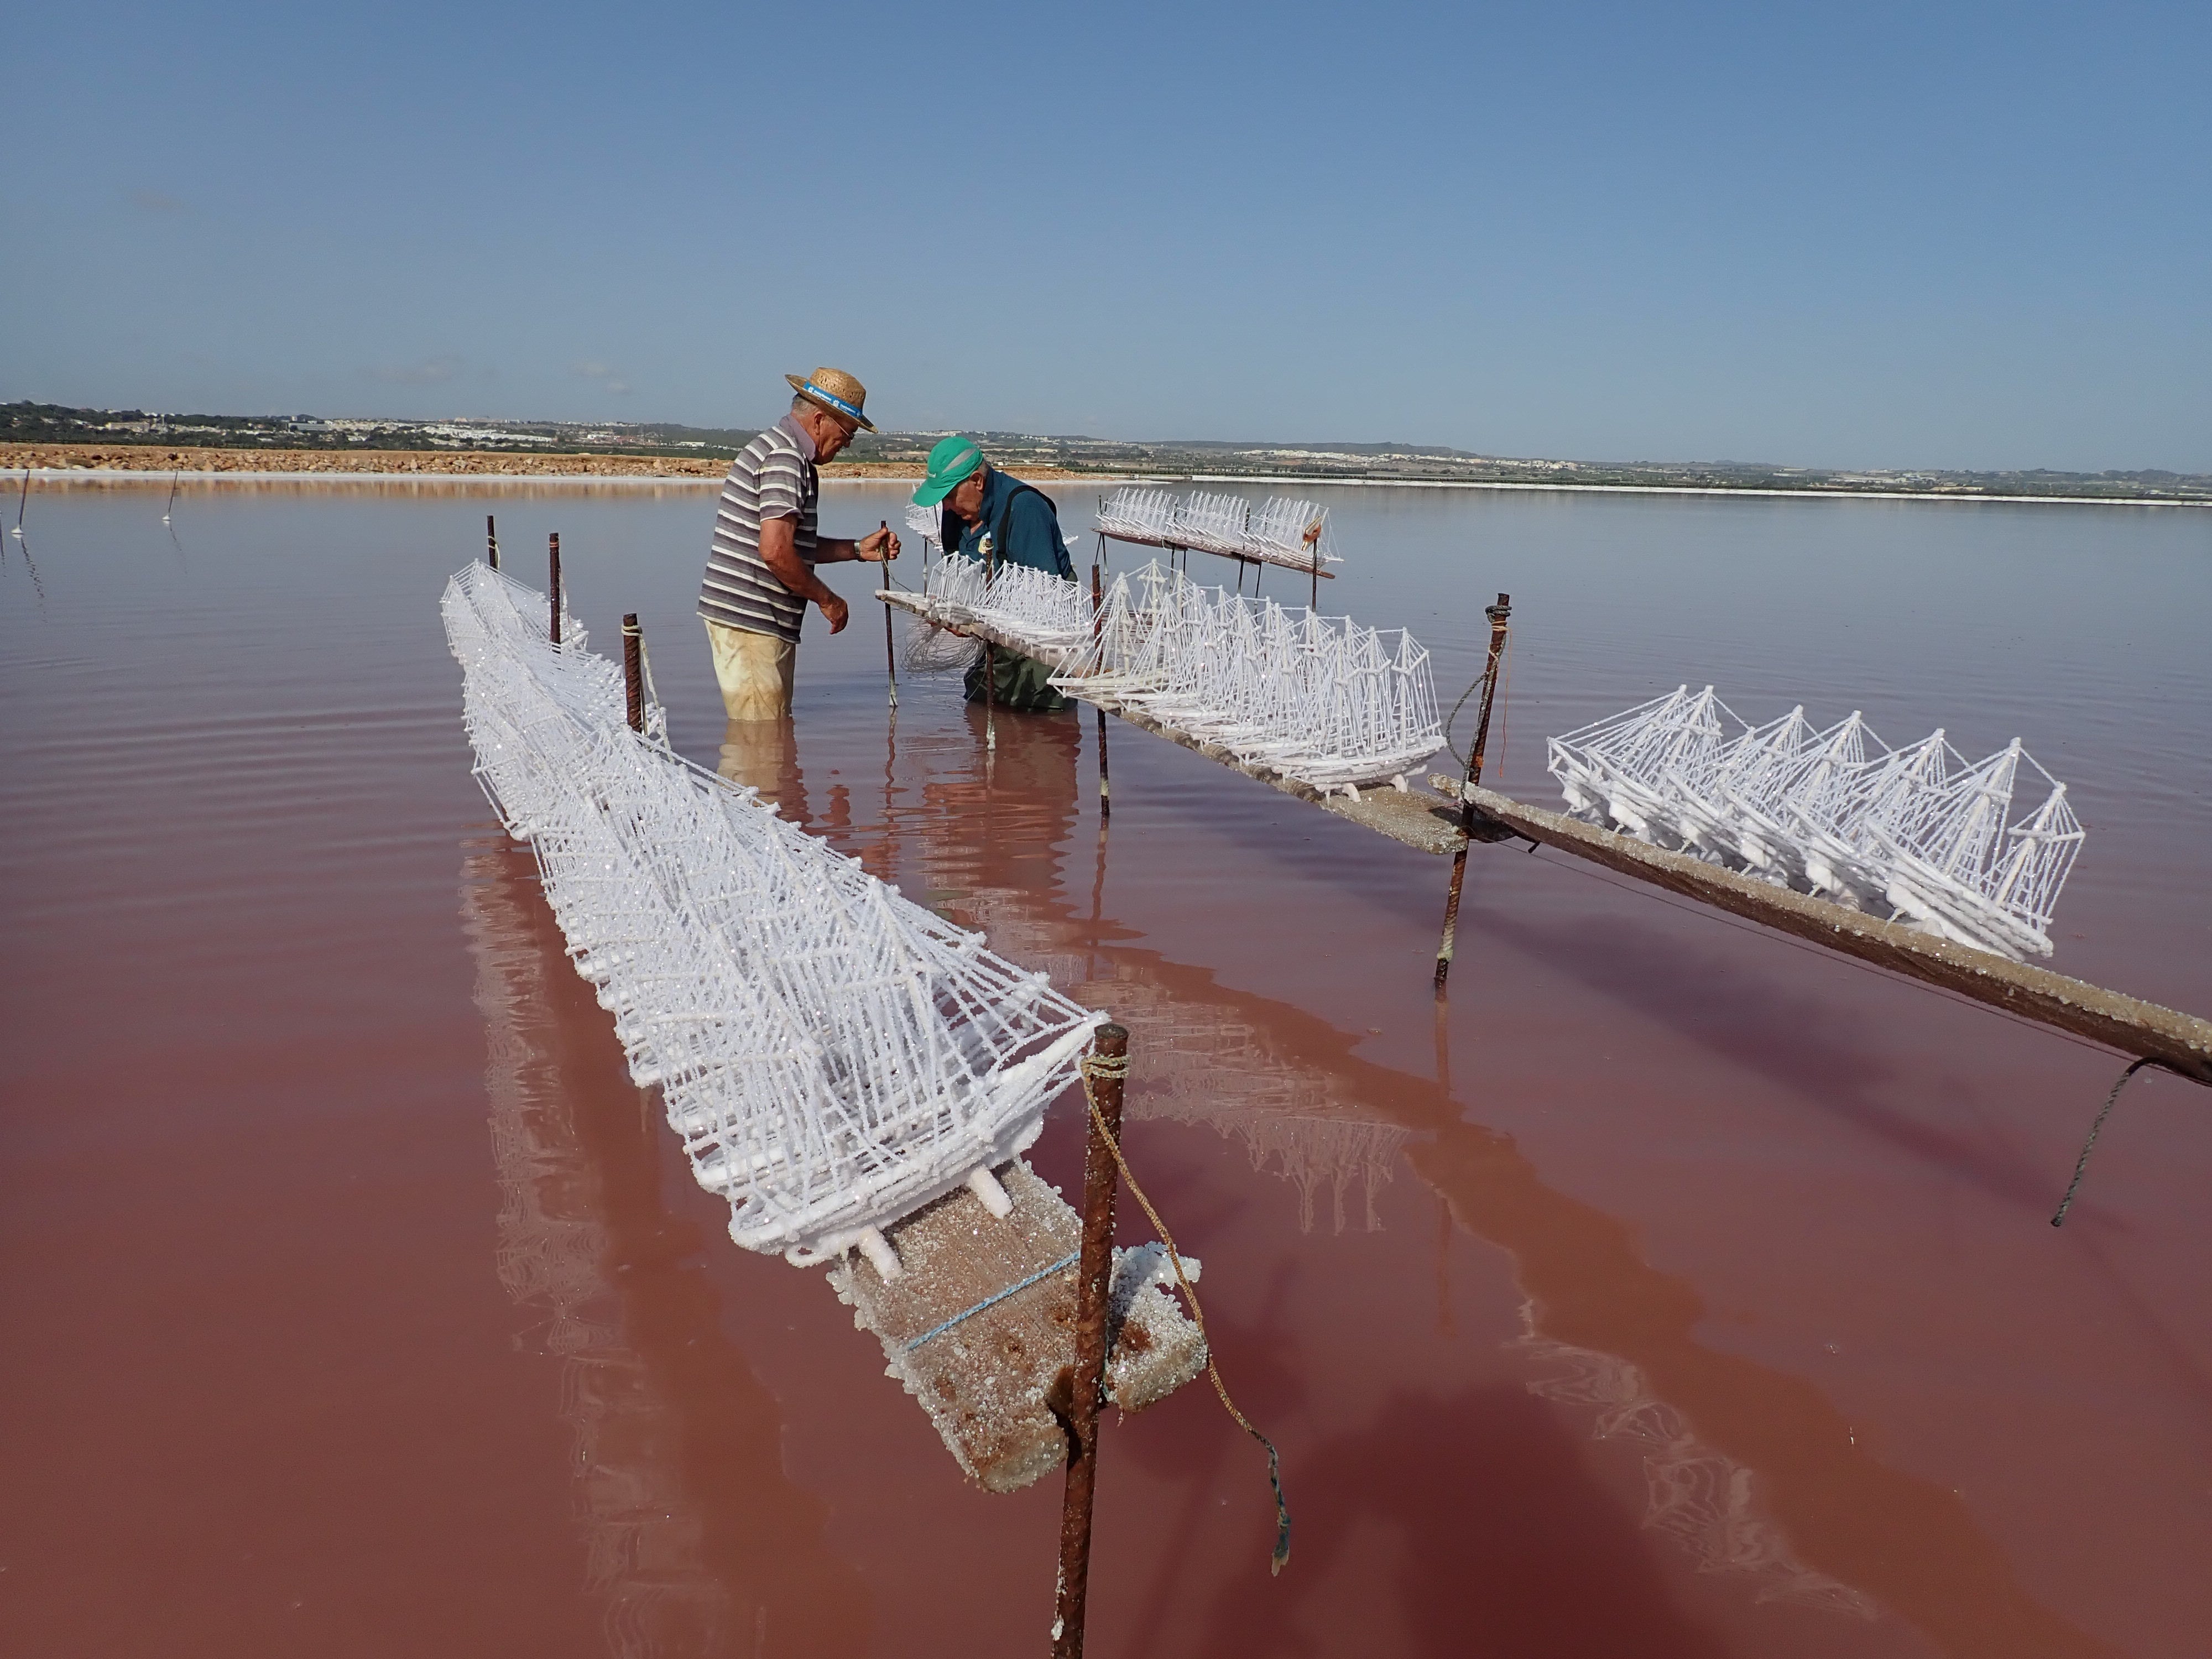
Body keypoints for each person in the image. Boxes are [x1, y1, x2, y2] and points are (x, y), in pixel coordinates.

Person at [697, 367, 899, 722]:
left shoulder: (785, 452)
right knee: (762, 745)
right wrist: (828, 600)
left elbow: (792, 547)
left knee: (767, 744)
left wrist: (856, 550)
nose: (848, 444)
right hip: (752, 623)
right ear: (820, 420)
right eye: (847, 433)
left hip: (754, 623)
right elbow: (775, 552)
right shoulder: (786, 458)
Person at [910, 435, 1075, 713]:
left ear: (977, 481)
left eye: (949, 496)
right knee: (978, 698)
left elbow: (1045, 598)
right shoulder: (956, 515)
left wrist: (974, 619)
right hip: (996, 635)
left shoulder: (1025, 509)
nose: (945, 506)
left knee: (1041, 717)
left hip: (1040, 638)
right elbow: (958, 573)